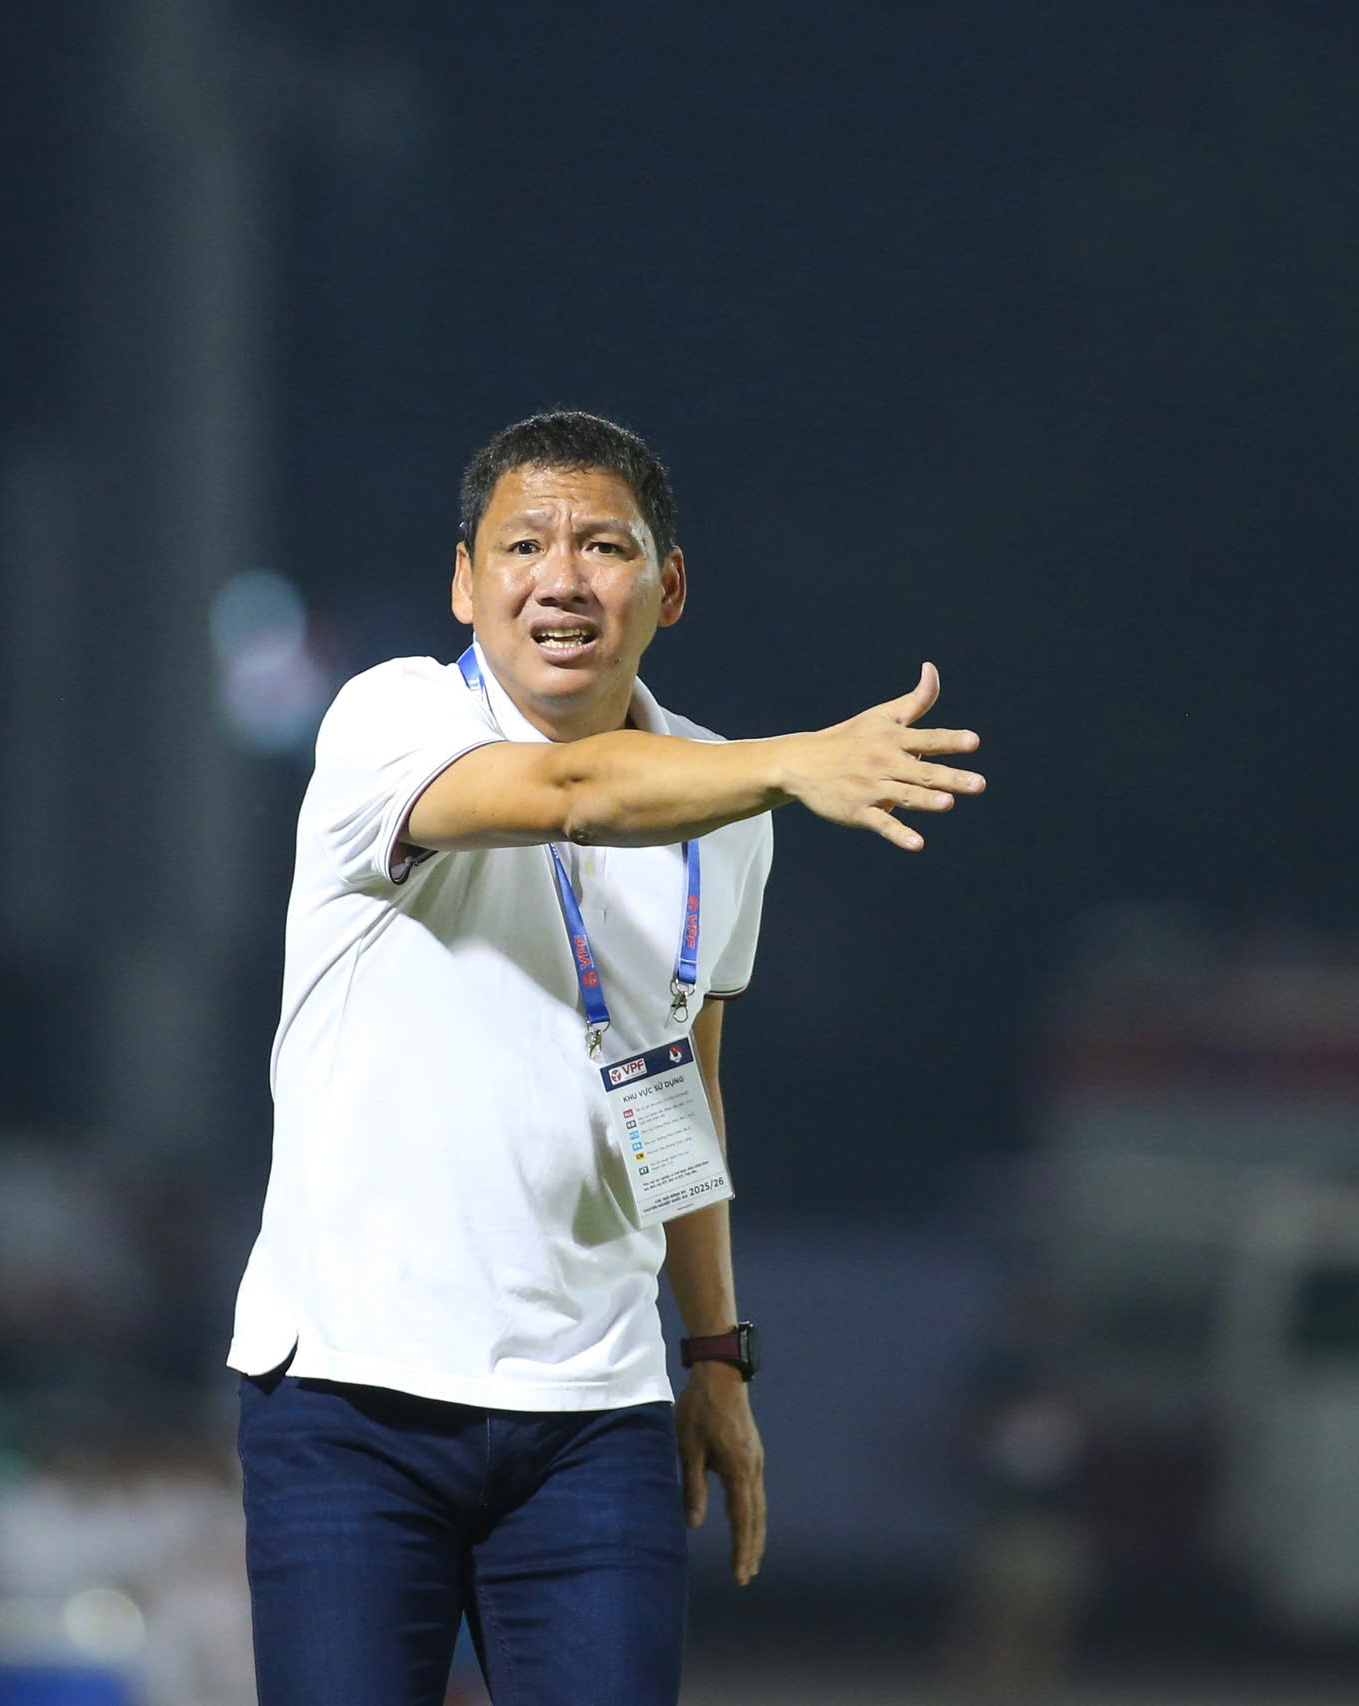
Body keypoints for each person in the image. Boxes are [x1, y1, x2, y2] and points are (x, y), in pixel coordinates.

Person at [228, 410, 988, 1705]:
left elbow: (680, 1085)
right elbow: (571, 792)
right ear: (466, 582)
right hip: (355, 1401)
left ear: (669, 585)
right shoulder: (387, 720)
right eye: (523, 543)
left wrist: (712, 1353)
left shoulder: (726, 808)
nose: (561, 576)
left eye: (604, 545)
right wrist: (792, 762)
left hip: (597, 1414)